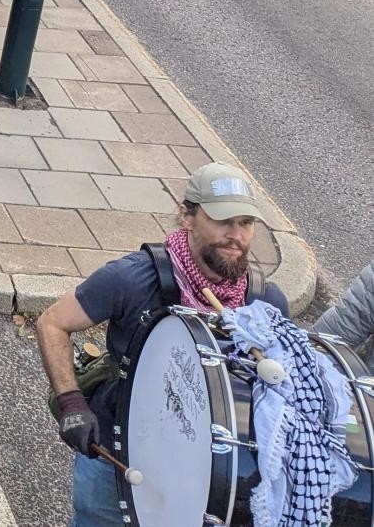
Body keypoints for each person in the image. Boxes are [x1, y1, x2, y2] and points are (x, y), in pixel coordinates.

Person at [35, 162, 288, 527]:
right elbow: (53, 322)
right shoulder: (133, 278)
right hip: (118, 458)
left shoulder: (265, 303)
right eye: (222, 220)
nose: (236, 235)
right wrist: (72, 404)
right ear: (186, 215)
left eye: (246, 223)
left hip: (203, 477)